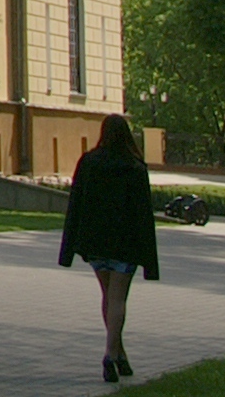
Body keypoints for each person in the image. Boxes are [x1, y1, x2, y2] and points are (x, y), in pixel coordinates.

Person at [59, 114, 160, 381]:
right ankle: (110, 354)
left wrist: (70, 247)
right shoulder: (135, 167)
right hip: (125, 245)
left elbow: (76, 205)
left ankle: (120, 355)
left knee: (107, 297)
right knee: (118, 300)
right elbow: (143, 215)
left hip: (96, 244)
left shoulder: (89, 162)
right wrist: (149, 259)